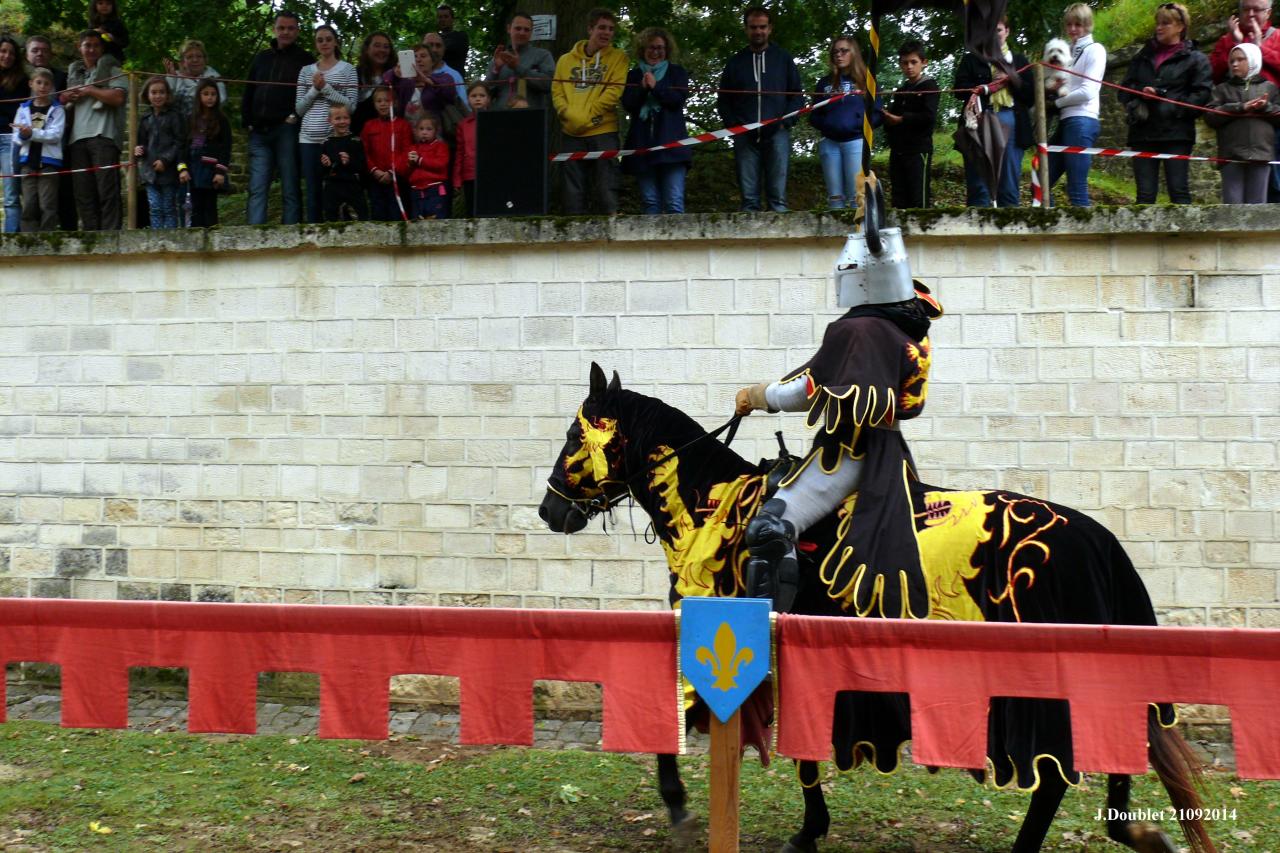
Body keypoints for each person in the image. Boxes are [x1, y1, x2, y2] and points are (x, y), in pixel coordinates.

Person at [733, 235, 942, 614]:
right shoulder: (910, 326)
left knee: (767, 530)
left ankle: (770, 636)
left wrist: (758, 395)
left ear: (864, 277)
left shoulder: (860, 329)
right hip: (892, 452)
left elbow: (809, 390)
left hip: (849, 451)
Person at [1117, 3, 1212, 204]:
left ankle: (1184, 237)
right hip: (1143, 132)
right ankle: (1143, 237)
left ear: (1181, 27)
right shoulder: (1141, 57)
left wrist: (1168, 104)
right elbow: (1123, 91)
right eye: (1158, 23)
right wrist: (1141, 94)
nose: (1159, 27)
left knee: (1178, 191)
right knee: (1144, 195)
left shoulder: (1196, 59)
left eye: (1166, 23)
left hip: (1176, 134)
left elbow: (1202, 95)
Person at [716, 7, 804, 212]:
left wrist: (785, 122)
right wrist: (734, 126)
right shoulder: (735, 62)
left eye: (762, 27)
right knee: (749, 201)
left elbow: (796, 96)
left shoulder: (783, 59)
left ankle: (782, 243)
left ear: (770, 28)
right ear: (746, 29)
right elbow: (723, 99)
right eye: (753, 27)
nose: (758, 31)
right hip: (744, 136)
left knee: (778, 200)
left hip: (777, 134)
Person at [551, 8, 627, 215]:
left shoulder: (619, 58)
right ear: (590, 29)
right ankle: (574, 236)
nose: (607, 33)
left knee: (606, 186)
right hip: (571, 133)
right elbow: (557, 91)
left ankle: (612, 231)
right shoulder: (565, 60)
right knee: (572, 189)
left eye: (611, 29)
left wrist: (588, 116)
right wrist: (566, 112)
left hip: (603, 131)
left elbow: (614, 91)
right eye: (602, 27)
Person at [953, 17, 1034, 207]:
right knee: (978, 188)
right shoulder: (971, 59)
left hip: (1012, 120)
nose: (993, 35)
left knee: (1008, 187)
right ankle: (977, 234)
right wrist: (987, 87)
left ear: (1007, 31)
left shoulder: (1020, 60)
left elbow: (1031, 96)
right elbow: (958, 90)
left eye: (997, 30)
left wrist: (1011, 79)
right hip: (979, 121)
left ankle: (1010, 235)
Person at [243, 11, 314, 225]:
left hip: (287, 129)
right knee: (257, 187)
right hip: (258, 130)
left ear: (297, 31)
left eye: (290, 28)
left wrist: (294, 118)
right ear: (274, 29)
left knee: (290, 186)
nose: (285, 32)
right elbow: (249, 90)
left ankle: (291, 234)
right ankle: (254, 237)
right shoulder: (262, 57)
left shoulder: (305, 60)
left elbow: (310, 96)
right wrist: (246, 121)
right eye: (281, 28)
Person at [1210, 0, 1280, 201]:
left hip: (1272, 119)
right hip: (1237, 124)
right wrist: (1234, 43)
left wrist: (1261, 48)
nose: (1250, 14)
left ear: (1268, 13)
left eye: (1256, 10)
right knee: (1235, 189)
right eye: (1245, 9)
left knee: (1275, 182)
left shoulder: (1277, 36)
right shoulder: (1226, 40)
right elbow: (1214, 74)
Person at [620, 27, 691, 214]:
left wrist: (656, 87)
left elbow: (677, 100)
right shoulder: (633, 75)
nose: (655, 52)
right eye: (651, 47)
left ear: (667, 50)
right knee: (650, 202)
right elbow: (628, 104)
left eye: (660, 48)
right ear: (642, 49)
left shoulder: (677, 72)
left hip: (672, 146)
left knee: (674, 202)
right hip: (642, 145)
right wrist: (642, 89)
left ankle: (677, 243)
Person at [64, 29, 127, 231]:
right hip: (76, 139)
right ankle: (90, 237)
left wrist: (91, 90)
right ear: (79, 47)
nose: (91, 49)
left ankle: (111, 236)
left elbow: (118, 98)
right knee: (83, 193)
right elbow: (61, 100)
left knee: (107, 190)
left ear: (102, 48)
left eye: (96, 45)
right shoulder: (74, 74)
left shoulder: (114, 70)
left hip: (104, 136)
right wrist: (67, 96)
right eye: (87, 45)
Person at [295, 25, 358, 224]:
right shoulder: (306, 71)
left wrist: (326, 88)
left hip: (336, 138)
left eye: (328, 39)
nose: (324, 43)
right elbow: (299, 109)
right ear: (315, 44)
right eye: (320, 40)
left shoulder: (348, 69)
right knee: (313, 190)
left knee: (337, 188)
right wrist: (315, 89)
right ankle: (314, 233)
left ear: (335, 42)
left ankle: (338, 229)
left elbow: (351, 105)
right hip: (308, 138)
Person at [1045, 3, 1106, 206]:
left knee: (1076, 187)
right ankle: (1051, 231)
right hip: (1066, 121)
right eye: (1069, 24)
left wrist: (1057, 103)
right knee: (1040, 181)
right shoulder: (1066, 52)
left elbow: (1089, 91)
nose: (1072, 29)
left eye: (1078, 24)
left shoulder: (1095, 50)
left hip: (1082, 119)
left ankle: (1088, 238)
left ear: (1088, 25)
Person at [810, 35, 881, 210]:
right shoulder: (824, 83)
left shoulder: (867, 81)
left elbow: (877, 114)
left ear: (854, 53)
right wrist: (828, 124)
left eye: (844, 51)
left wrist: (857, 125)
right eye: (835, 52)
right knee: (834, 196)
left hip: (855, 142)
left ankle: (857, 234)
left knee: (856, 195)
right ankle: (837, 236)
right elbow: (814, 115)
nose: (839, 55)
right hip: (830, 143)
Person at [25, 36, 75, 230]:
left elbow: (68, 104)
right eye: (35, 50)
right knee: (27, 193)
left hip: (53, 140)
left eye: (45, 50)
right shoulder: (19, 77)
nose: (40, 53)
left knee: (58, 189)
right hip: (24, 144)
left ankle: (63, 230)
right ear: (27, 53)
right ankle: (28, 234)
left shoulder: (60, 77)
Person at [883, 41, 938, 209]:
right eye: (905, 62)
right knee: (899, 197)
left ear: (923, 62)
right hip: (898, 150)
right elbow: (891, 117)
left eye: (913, 62)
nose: (909, 67)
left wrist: (902, 119)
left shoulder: (930, 86)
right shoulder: (901, 91)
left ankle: (920, 235)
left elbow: (929, 117)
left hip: (918, 149)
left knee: (918, 197)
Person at [14, 68, 63, 232]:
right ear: (31, 84)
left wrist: (31, 133)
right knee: (29, 202)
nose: (42, 87)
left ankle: (47, 238)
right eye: (39, 82)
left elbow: (56, 134)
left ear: (51, 87)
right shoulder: (22, 109)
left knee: (47, 203)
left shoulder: (57, 109)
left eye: (47, 83)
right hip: (27, 162)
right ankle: (28, 239)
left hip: (49, 162)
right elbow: (16, 136)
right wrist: (23, 136)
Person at [134, 76, 185, 229]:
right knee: (155, 207)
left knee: (169, 207)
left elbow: (179, 142)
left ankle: (170, 239)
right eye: (154, 92)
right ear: (147, 95)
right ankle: (157, 240)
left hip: (168, 172)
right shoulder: (145, 119)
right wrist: (138, 150)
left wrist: (165, 160)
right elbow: (141, 143)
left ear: (167, 95)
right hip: (150, 173)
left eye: (161, 92)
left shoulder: (174, 117)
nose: (158, 96)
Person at [181, 78, 232, 227]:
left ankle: (211, 243)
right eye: (206, 94)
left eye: (213, 94)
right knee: (195, 208)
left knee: (210, 207)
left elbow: (226, 148)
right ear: (199, 96)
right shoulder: (191, 119)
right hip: (194, 170)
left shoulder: (222, 120)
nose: (210, 97)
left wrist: (220, 172)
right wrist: (183, 168)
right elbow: (184, 147)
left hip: (211, 171)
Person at [485, 12, 555, 110]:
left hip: (531, 119)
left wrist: (518, 68)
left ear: (531, 33)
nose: (522, 33)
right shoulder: (500, 58)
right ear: (509, 29)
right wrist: (495, 70)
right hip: (500, 119)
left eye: (526, 30)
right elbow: (485, 94)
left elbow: (550, 85)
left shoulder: (542, 55)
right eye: (518, 28)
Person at [361, 86, 410, 221]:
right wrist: (374, 170)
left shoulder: (402, 125)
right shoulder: (369, 126)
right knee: (378, 212)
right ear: (374, 104)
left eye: (387, 100)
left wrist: (392, 172)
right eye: (379, 101)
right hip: (375, 178)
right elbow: (364, 151)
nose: (383, 104)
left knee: (396, 212)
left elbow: (406, 151)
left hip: (396, 178)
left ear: (394, 102)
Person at [384, 44, 458, 126]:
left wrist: (426, 80)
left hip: (435, 135)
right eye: (414, 57)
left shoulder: (443, 78)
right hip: (407, 135)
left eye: (423, 56)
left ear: (433, 61)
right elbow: (386, 80)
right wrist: (395, 71)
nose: (418, 60)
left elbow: (450, 92)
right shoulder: (404, 82)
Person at [0, 36, 29, 233]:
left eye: (11, 52)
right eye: (3, 51)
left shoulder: (22, 81)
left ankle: (10, 239)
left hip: (9, 139)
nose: (7, 56)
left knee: (11, 193)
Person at [320, 101, 367, 221]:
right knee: (332, 219)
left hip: (352, 186)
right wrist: (326, 165)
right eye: (337, 118)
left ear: (350, 119)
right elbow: (322, 171)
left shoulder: (356, 141)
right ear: (329, 120)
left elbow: (361, 166)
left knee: (359, 218)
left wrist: (349, 162)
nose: (342, 121)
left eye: (345, 118)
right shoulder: (326, 143)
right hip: (332, 187)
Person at [164, 39, 227, 119]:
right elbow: (164, 100)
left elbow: (221, 100)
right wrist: (171, 78)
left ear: (205, 59)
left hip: (205, 125)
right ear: (183, 61)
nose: (195, 60)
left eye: (199, 56)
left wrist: (189, 82)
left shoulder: (214, 77)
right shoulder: (174, 75)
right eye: (190, 57)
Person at [452, 81, 489, 216]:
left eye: (482, 95)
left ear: (488, 99)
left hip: (490, 174)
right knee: (472, 211)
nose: (478, 99)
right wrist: (457, 179)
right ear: (468, 99)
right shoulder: (463, 125)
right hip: (470, 174)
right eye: (473, 96)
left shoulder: (495, 121)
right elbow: (460, 153)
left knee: (490, 209)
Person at [406, 113, 450, 219]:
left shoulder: (441, 146)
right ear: (416, 131)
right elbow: (406, 170)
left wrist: (420, 160)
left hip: (434, 190)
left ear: (436, 131)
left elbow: (440, 164)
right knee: (417, 221)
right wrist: (410, 163)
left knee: (435, 220)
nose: (424, 132)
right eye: (421, 129)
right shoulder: (413, 148)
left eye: (429, 129)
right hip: (416, 191)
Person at [353, 32, 395, 134]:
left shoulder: (395, 75)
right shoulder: (354, 73)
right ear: (367, 49)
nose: (382, 50)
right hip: (358, 133)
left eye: (386, 47)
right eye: (377, 46)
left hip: (388, 134)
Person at [422, 32, 468, 106]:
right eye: (430, 45)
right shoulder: (411, 73)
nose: (434, 50)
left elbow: (464, 107)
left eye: (438, 46)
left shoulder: (454, 76)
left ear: (444, 49)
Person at [437, 5, 470, 78]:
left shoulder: (461, 36)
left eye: (446, 16)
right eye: (440, 17)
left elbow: (453, 49)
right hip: (436, 81)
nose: (442, 19)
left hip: (455, 81)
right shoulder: (434, 37)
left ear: (452, 19)